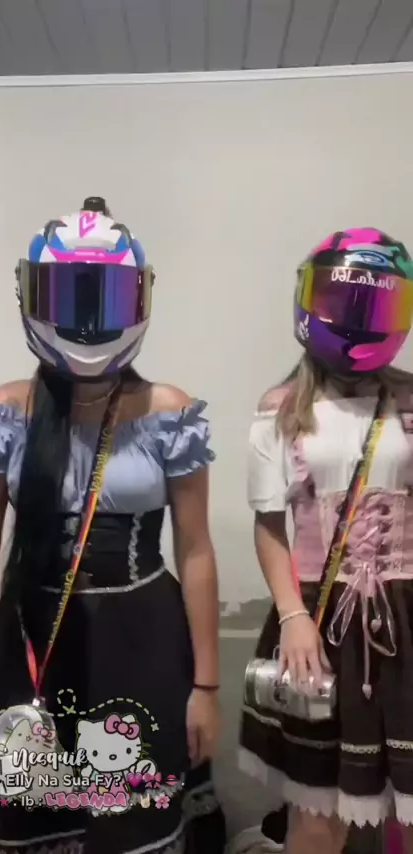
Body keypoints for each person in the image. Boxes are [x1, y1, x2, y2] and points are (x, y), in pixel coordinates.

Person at [0, 197, 226, 854]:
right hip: (27, 647)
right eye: (70, 297)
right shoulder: (8, 411)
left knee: (132, 831)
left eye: (107, 297)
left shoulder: (169, 412)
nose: (90, 318)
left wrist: (207, 686)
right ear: (32, 296)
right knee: (36, 831)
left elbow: (197, 551)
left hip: (143, 649)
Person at [238, 228, 413, 854]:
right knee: (318, 815)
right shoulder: (282, 407)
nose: (360, 319)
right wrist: (292, 617)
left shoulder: (410, 398)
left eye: (378, 304)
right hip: (318, 616)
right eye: (344, 301)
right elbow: (269, 525)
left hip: (405, 617)